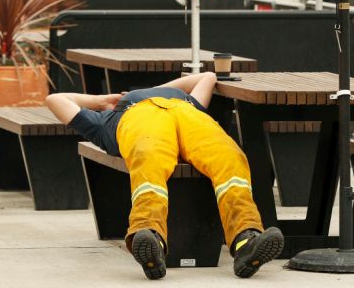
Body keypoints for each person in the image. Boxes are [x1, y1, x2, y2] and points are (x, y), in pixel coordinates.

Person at [45, 72, 283, 280]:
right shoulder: (105, 120)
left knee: (230, 156)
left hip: (189, 116)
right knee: (149, 161)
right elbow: (54, 99)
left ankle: (246, 241)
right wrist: (101, 101)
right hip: (140, 121)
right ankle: (150, 239)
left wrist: (158, 92)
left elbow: (206, 77)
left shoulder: (189, 101)